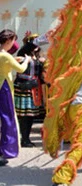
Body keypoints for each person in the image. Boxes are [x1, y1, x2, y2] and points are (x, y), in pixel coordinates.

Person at [0, 29, 31, 166]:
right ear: (7, 41)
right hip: (4, 88)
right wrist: (27, 60)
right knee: (8, 120)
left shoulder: (4, 55)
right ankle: (7, 150)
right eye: (12, 41)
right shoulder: (5, 56)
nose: (13, 44)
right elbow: (21, 69)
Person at [14, 40, 43, 148]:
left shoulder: (37, 57)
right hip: (24, 88)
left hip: (34, 88)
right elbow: (29, 46)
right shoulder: (23, 54)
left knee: (30, 116)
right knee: (25, 115)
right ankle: (24, 139)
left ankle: (25, 138)